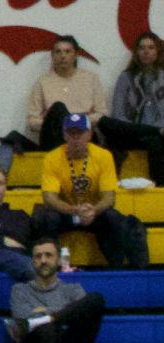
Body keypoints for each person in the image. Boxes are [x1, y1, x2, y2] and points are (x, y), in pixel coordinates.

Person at [32, 113, 139, 268]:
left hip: (93, 212)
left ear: (89, 134)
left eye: (80, 133)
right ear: (64, 135)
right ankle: (51, 268)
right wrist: (72, 210)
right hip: (67, 213)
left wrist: (94, 210)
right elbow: (49, 198)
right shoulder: (52, 158)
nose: (76, 138)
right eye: (71, 133)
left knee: (114, 218)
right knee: (48, 219)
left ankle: (117, 267)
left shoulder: (103, 156)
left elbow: (109, 197)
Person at [11, 237, 107, 343]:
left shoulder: (73, 289)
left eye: (48, 255)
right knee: (44, 328)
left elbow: (82, 314)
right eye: (38, 256)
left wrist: (45, 314)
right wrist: (63, 313)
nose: (43, 260)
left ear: (57, 259)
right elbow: (23, 322)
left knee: (96, 299)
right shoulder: (20, 290)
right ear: (32, 261)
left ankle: (47, 320)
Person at [14, 34, 107, 154]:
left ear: (76, 54)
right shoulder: (42, 82)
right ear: (52, 56)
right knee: (58, 108)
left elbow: (102, 114)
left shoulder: (91, 79)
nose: (62, 56)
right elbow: (32, 121)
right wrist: (60, 123)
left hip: (84, 135)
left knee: (69, 119)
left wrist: (76, 122)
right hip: (54, 138)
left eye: (67, 51)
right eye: (58, 52)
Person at [100, 30, 164, 172]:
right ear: (136, 53)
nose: (146, 52)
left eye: (151, 48)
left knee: (155, 141)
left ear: (158, 51)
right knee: (104, 123)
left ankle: (159, 187)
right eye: (142, 48)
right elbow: (118, 114)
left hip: (158, 136)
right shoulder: (125, 78)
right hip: (131, 133)